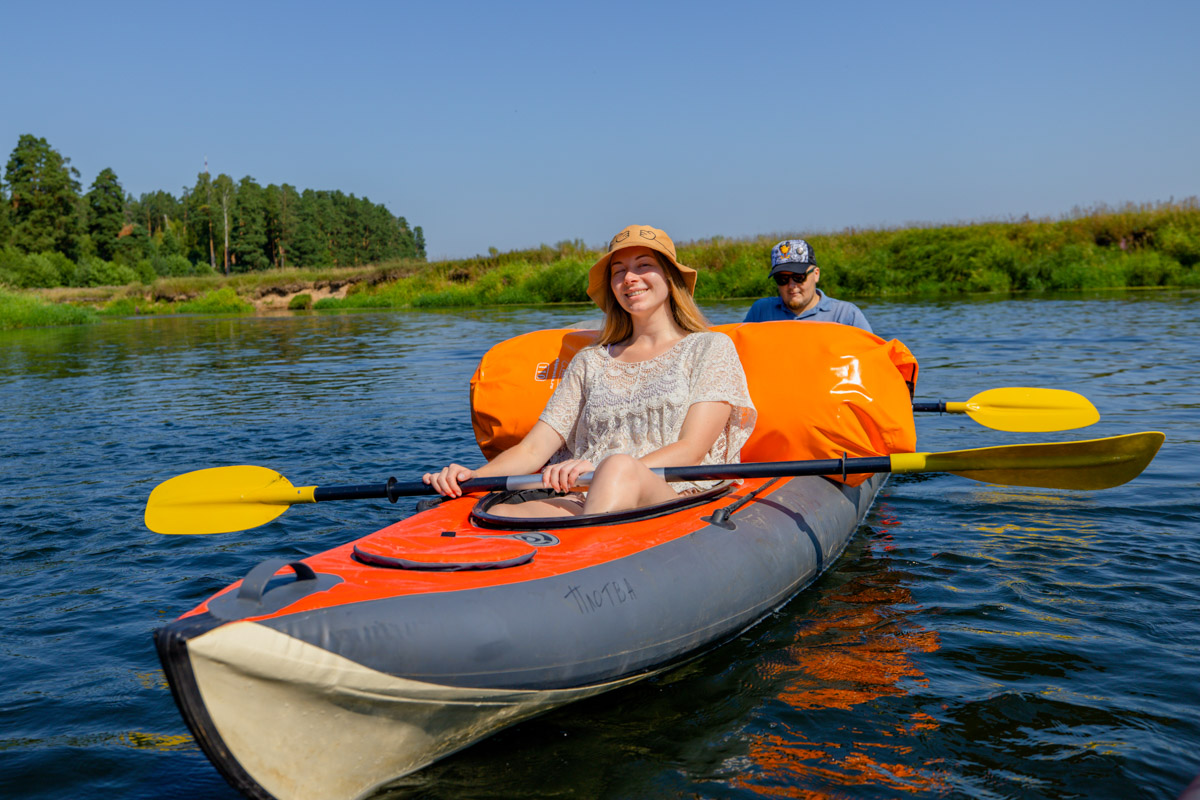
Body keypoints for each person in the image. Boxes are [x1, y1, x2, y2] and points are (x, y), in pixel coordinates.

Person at [424, 224, 756, 518]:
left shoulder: (710, 348)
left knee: (618, 467)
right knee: (495, 514)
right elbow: (533, 450)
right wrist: (472, 477)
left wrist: (604, 469)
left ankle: (589, 568)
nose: (630, 278)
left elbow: (691, 449)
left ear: (670, 278)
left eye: (644, 266)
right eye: (618, 271)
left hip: (674, 496)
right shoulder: (590, 361)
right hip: (586, 496)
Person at [743, 238, 872, 332]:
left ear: (816, 274)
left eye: (799, 277)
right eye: (782, 279)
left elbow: (872, 359)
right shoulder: (760, 312)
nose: (791, 285)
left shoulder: (846, 315)